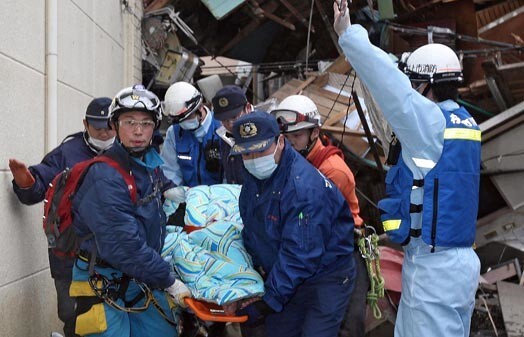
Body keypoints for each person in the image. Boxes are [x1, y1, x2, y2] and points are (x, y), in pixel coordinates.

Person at [334, 1, 481, 337]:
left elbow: (392, 89)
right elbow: (397, 78)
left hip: (435, 270)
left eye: (415, 82)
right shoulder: (463, 120)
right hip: (453, 263)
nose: (411, 87)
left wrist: (349, 36)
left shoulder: (429, 124)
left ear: (427, 84)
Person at [69, 84, 190, 337]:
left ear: (154, 127)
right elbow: (123, 246)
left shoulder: (148, 163)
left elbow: (150, 188)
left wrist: (168, 190)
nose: (138, 131)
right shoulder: (103, 176)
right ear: (114, 125)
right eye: (129, 122)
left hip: (142, 275)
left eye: (146, 123)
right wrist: (169, 282)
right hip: (103, 279)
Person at [230, 110, 356, 337]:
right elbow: (253, 226)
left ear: (280, 142)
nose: (254, 159)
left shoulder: (302, 189)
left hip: (326, 276)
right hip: (284, 273)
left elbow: (301, 253)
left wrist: (269, 300)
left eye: (260, 150)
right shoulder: (255, 177)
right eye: (246, 154)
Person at [8, 97, 115, 337]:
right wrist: (26, 181)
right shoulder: (68, 152)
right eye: (98, 127)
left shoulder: (126, 153)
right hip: (69, 253)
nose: (105, 133)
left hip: (113, 253)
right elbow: (40, 182)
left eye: (110, 127)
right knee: (72, 316)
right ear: (85, 124)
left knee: (111, 317)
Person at [272, 94, 368, 337]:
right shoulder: (293, 165)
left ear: (315, 133)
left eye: (297, 136)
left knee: (345, 327)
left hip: (340, 253)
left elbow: (313, 225)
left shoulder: (331, 171)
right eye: (286, 137)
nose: (290, 143)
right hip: (310, 252)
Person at [161, 81, 222, 189]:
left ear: (200, 107)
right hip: (188, 198)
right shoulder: (174, 133)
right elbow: (169, 170)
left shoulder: (222, 127)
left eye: (187, 118)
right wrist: (178, 193)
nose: (183, 123)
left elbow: (232, 173)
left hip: (221, 197)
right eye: (179, 120)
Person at [212, 85, 254, 184]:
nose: (230, 124)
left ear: (247, 108)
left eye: (234, 117)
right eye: (224, 120)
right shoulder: (223, 135)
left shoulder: (262, 130)